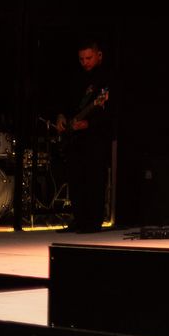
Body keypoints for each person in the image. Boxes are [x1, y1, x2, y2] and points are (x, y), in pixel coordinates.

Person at [55, 39, 114, 233]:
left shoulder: (107, 78)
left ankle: (93, 221)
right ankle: (79, 218)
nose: (85, 62)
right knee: (76, 179)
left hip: (96, 137)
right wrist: (61, 116)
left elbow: (112, 112)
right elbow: (65, 101)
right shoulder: (75, 77)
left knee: (94, 178)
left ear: (99, 55)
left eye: (89, 58)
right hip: (75, 137)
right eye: (81, 59)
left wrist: (89, 123)